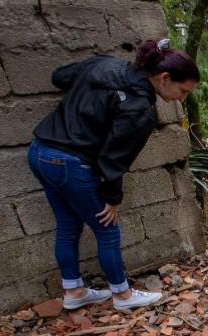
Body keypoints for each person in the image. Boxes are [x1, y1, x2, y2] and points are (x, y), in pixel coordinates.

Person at [28, 39, 199, 311]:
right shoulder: (140, 109)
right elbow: (113, 159)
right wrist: (112, 198)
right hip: (71, 163)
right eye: (182, 90)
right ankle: (122, 295)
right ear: (164, 77)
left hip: (40, 153)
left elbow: (60, 76)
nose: (182, 98)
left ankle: (74, 292)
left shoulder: (104, 65)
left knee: (68, 225)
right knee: (107, 230)